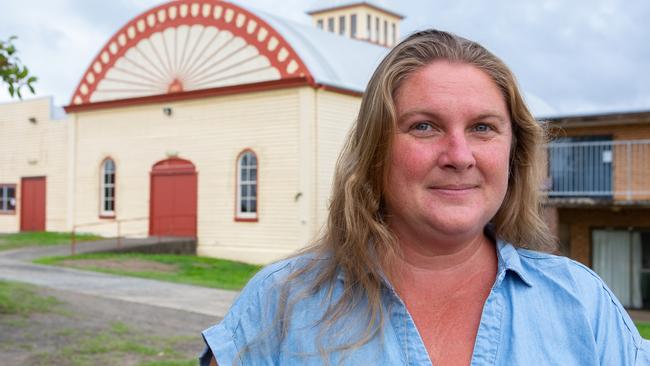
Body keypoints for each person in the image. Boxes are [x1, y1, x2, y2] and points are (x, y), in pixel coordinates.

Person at [200, 29, 650, 365]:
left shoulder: (581, 303)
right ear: (376, 151)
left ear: (514, 153)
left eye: (482, 128)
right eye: (424, 126)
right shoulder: (282, 304)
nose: (459, 156)